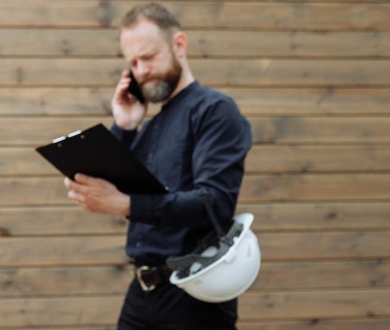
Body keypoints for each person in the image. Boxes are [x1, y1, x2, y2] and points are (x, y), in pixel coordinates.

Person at [63, 3, 252, 329]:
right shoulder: (148, 127)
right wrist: (124, 126)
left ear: (179, 45)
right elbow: (107, 184)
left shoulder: (214, 111)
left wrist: (125, 205)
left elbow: (213, 203)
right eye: (133, 63)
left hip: (196, 294)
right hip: (143, 291)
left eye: (148, 57)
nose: (141, 70)